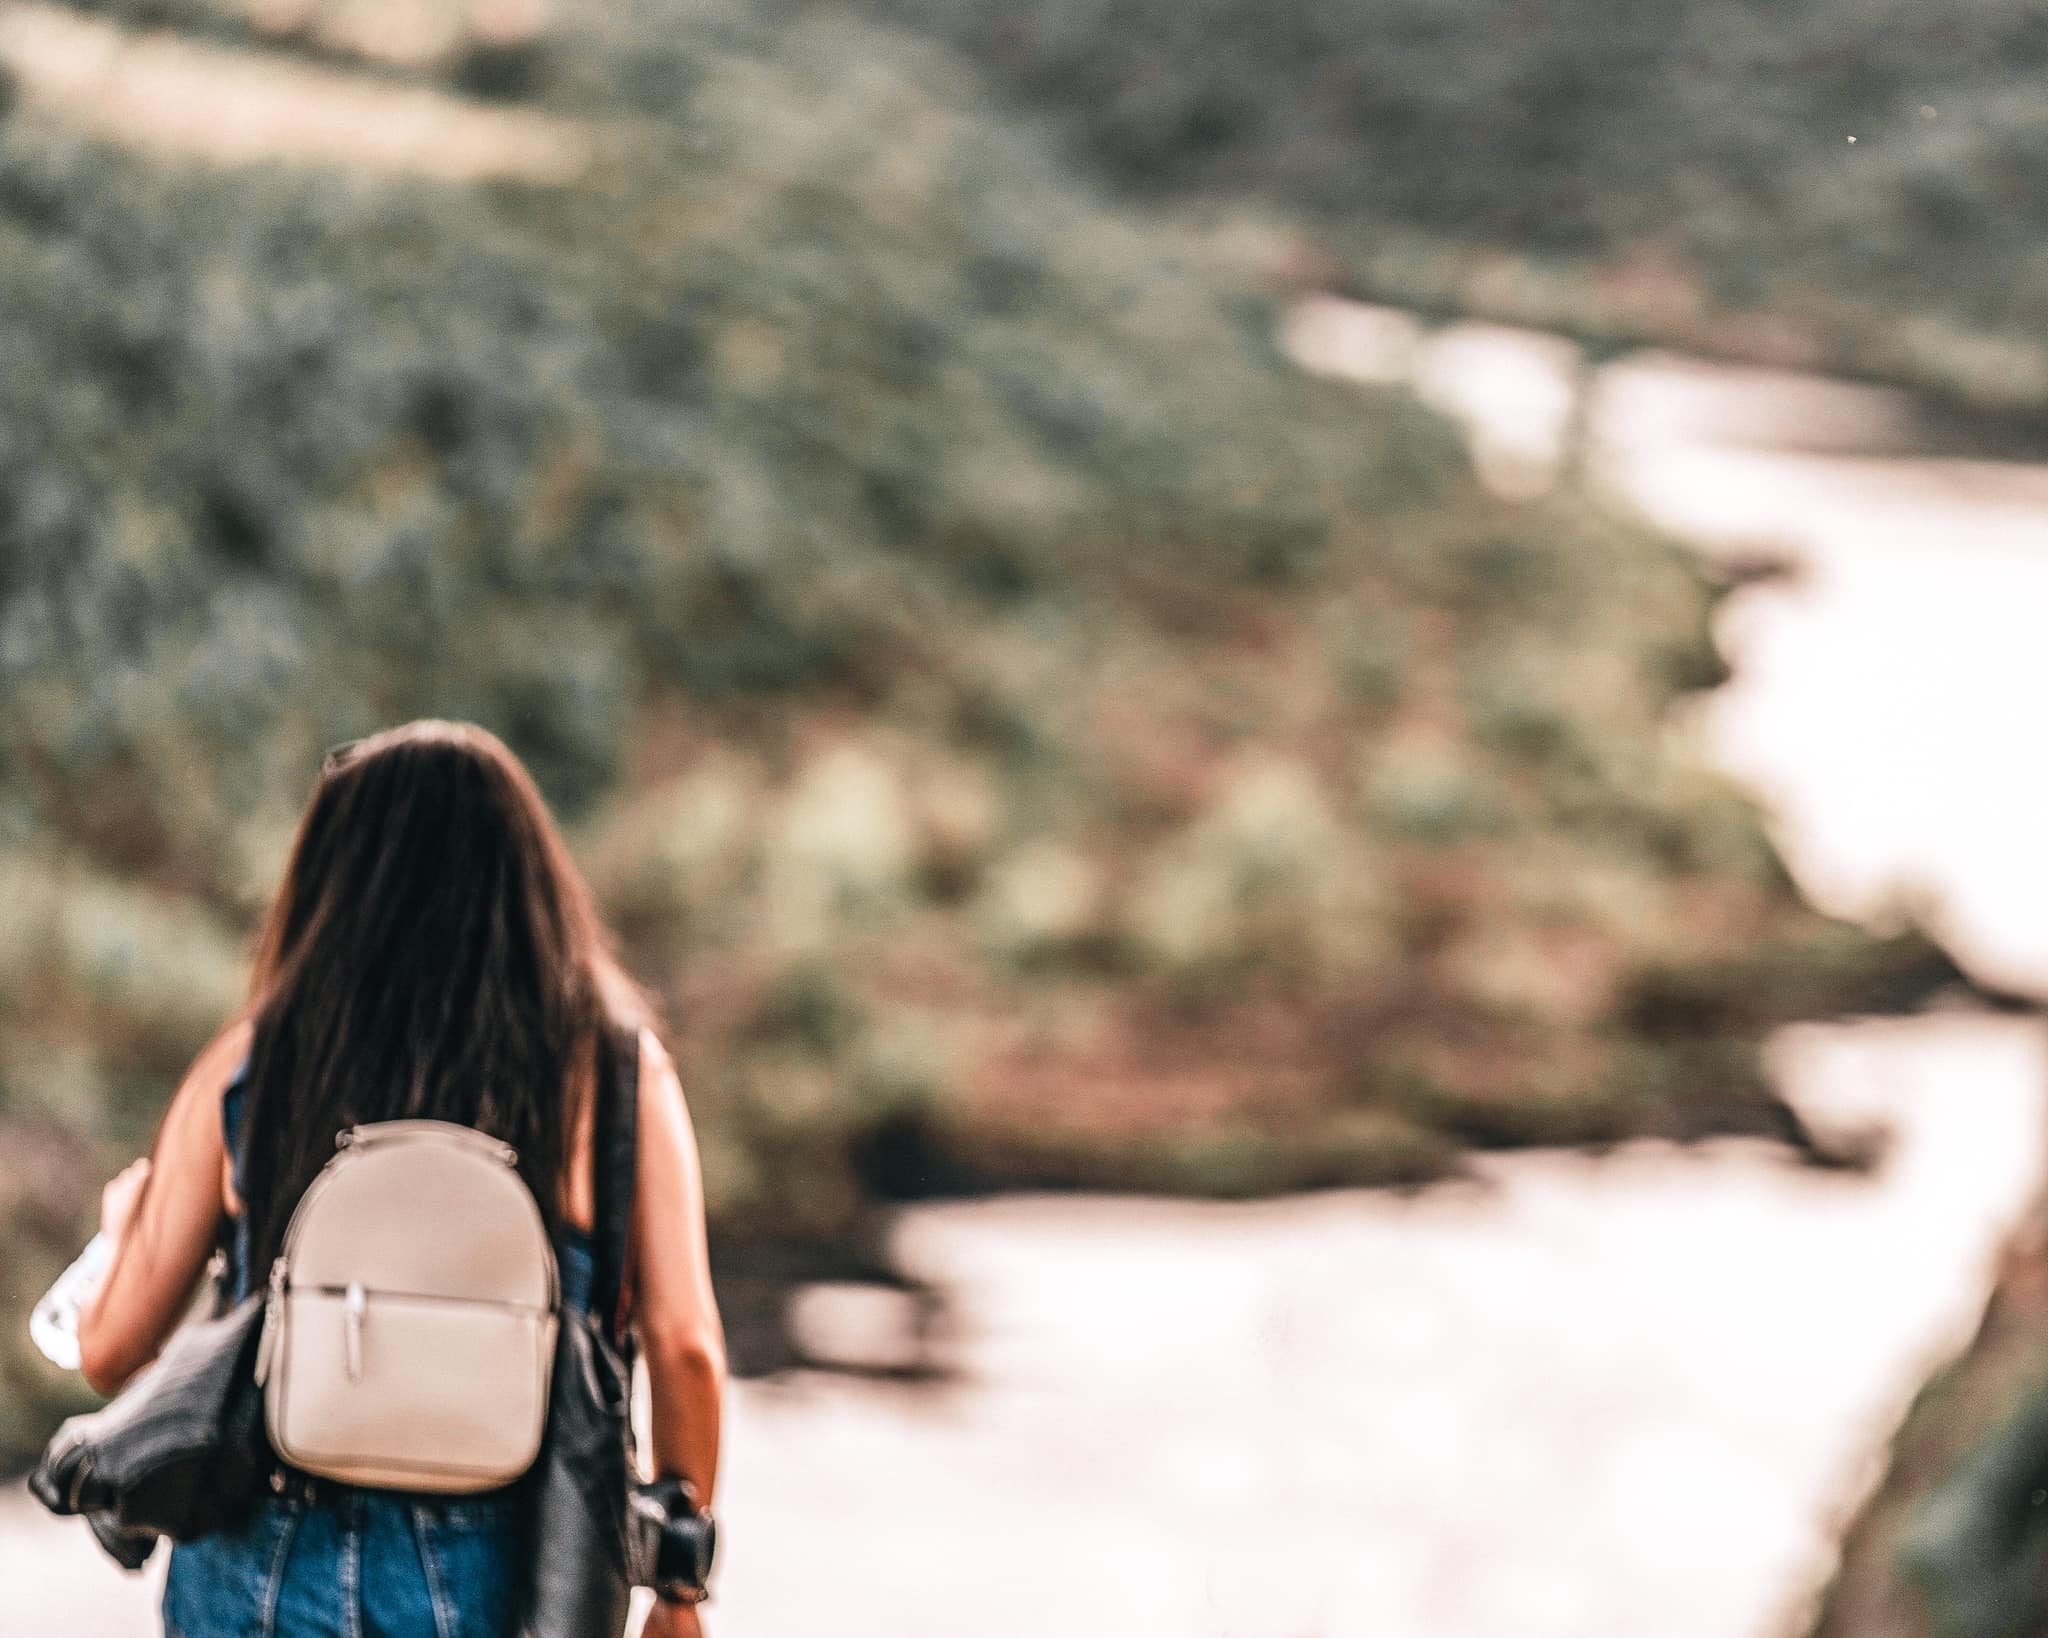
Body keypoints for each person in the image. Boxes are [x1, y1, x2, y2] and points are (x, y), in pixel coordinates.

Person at [74, 719, 726, 1638]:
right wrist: (678, 1590)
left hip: (254, 1565)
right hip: (506, 1570)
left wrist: (123, 1232)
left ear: (332, 881)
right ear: (526, 880)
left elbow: (109, 1351)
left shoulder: (253, 1064)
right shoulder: (611, 1076)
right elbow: (686, 1346)